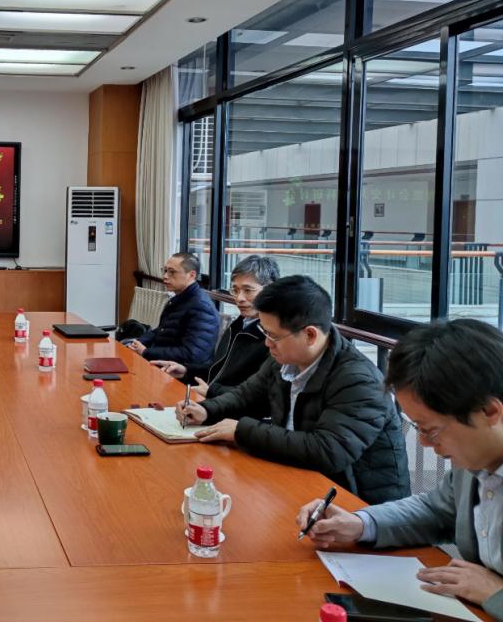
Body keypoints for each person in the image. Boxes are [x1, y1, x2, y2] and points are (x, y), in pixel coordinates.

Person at [297, 319, 503, 620]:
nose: (424, 443)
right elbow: (436, 511)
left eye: (430, 430)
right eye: (417, 428)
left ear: (489, 412)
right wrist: (360, 524)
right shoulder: (476, 460)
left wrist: (496, 594)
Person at [177, 275, 409, 505]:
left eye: (273, 335)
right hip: (297, 478)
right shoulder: (285, 359)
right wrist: (206, 410)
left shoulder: (359, 380)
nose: (267, 343)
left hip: (356, 505)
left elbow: (327, 451)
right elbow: (248, 395)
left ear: (310, 335)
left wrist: (242, 431)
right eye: (265, 332)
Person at [154, 254, 278, 398]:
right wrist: (186, 371)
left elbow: (259, 396)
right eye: (235, 290)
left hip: (229, 407)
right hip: (215, 400)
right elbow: (219, 370)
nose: (239, 298)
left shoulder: (273, 337)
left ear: (270, 289)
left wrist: (211, 392)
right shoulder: (239, 324)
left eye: (248, 290)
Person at [126, 252, 219, 370]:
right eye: (165, 270)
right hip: (160, 363)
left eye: (172, 272)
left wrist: (146, 352)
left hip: (178, 373)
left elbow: (192, 354)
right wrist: (138, 343)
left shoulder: (202, 307)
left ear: (191, 275)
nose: (165, 276)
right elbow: (161, 330)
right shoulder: (179, 298)